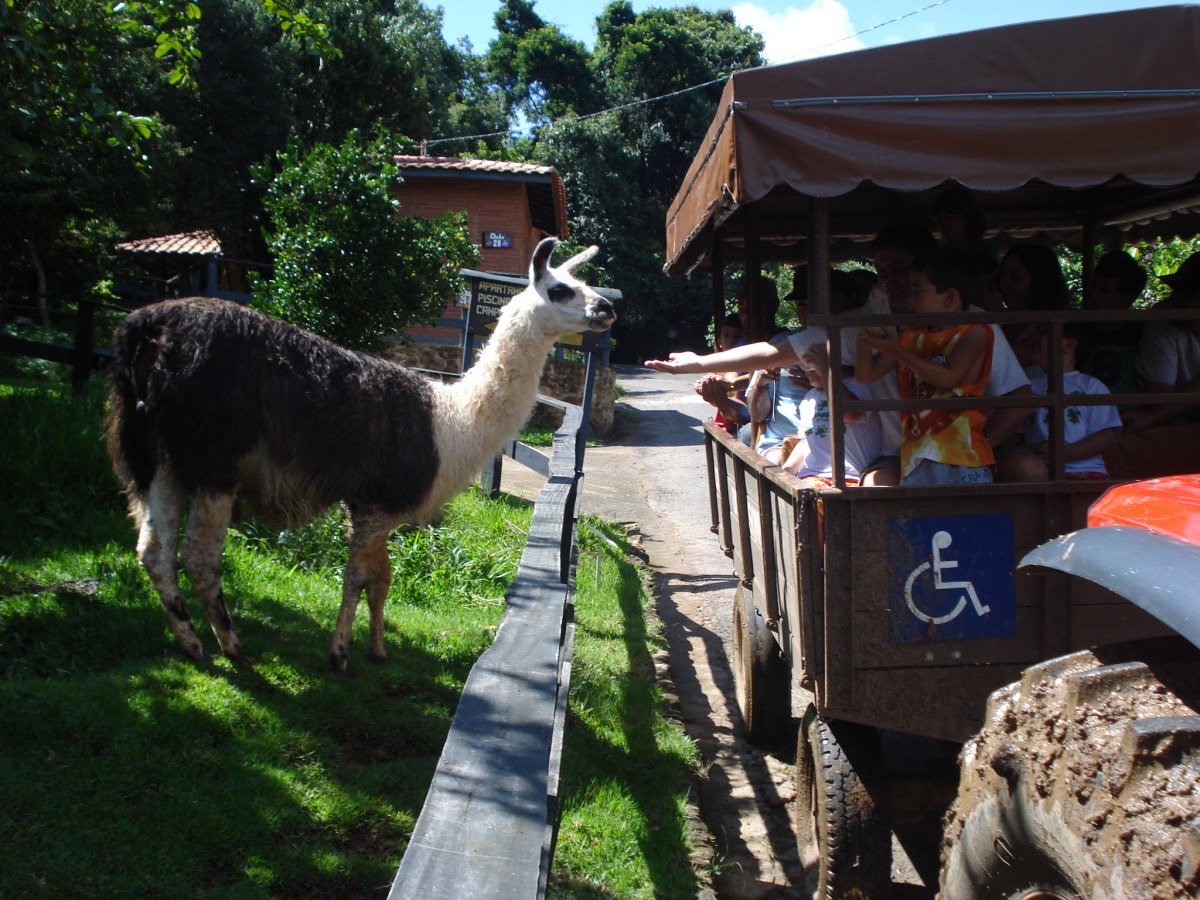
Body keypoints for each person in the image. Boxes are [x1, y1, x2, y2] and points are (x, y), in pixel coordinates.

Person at [856, 248, 995, 486]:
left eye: (917, 292)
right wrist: (864, 335)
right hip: (915, 458)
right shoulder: (910, 335)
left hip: (962, 459)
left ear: (950, 298)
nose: (910, 300)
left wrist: (896, 351)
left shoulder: (974, 333)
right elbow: (866, 375)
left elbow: (947, 378)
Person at [1009, 323, 1121, 479]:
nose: (1033, 339)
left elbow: (1106, 434)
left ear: (1069, 345)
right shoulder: (1028, 386)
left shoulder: (1091, 386)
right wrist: (1034, 448)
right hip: (1040, 469)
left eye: (1042, 332)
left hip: (1085, 470)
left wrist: (1064, 453)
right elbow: (1018, 433)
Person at [779, 341, 880, 485]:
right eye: (804, 364)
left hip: (852, 477)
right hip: (813, 476)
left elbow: (848, 412)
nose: (807, 370)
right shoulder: (810, 397)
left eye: (813, 364)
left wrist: (825, 370)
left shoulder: (859, 387)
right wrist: (786, 473)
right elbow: (806, 441)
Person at [1077, 250, 1148, 399]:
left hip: (1127, 413)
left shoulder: (1142, 332)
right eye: (1093, 286)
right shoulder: (1078, 329)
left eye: (1104, 291)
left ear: (1127, 299)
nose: (1093, 294)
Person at [996, 244, 1071, 374]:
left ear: (1038, 279)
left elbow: (1004, 358)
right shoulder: (1000, 321)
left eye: (1014, 277)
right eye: (1002, 275)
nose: (1003, 283)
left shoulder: (1054, 325)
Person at [696, 313, 748, 437]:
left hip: (735, 430)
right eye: (726, 335)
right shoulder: (716, 368)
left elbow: (737, 405)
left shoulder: (742, 368)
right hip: (722, 427)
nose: (731, 340)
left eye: (737, 336)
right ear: (719, 341)